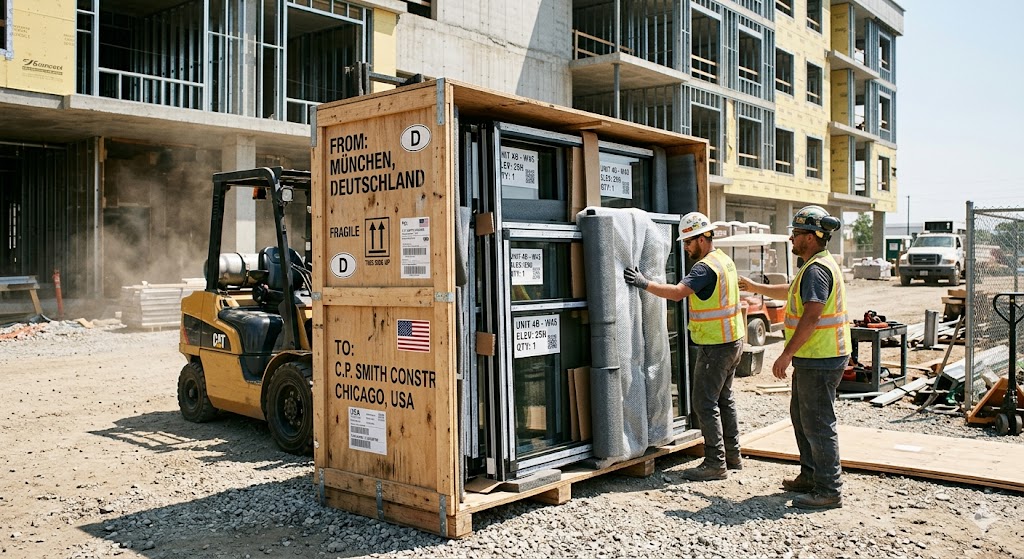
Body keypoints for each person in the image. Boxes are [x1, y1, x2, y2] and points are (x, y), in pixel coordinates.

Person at [738, 205, 850, 510]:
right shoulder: (815, 265)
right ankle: (811, 475)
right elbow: (791, 291)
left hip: (821, 357)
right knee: (802, 418)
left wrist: (785, 354)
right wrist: (755, 287)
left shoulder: (816, 269)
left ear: (812, 237)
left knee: (818, 423)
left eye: (796, 234)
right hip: (816, 357)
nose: (791, 240)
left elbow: (812, 316)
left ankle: (829, 489)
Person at [623, 211, 744, 481]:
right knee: (725, 399)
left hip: (716, 346)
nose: (686, 247)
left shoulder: (703, 268)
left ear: (702, 239)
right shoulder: (724, 260)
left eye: (688, 242)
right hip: (733, 341)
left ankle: (715, 463)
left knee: (704, 403)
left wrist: (644, 283)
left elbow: (678, 294)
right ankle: (732, 455)